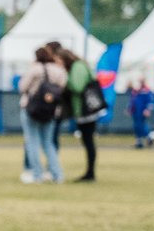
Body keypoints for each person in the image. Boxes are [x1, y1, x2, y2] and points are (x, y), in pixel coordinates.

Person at [53, 42, 102, 182]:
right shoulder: (78, 66)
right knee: (87, 141)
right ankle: (89, 172)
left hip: (86, 110)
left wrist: (64, 81)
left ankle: (90, 173)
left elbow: (78, 86)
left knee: (88, 141)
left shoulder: (78, 67)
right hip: (82, 110)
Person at [19, 44, 65, 184]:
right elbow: (62, 89)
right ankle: (57, 175)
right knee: (48, 143)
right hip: (50, 111)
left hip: (31, 109)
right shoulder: (58, 71)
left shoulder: (35, 70)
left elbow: (22, 86)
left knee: (32, 141)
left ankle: (37, 175)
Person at [127, 77, 154, 149]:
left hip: (142, 111)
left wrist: (148, 110)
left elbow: (150, 101)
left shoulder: (147, 91)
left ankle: (149, 138)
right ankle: (139, 142)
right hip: (135, 111)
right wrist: (129, 109)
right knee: (137, 126)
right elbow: (132, 101)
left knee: (141, 125)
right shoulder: (135, 91)